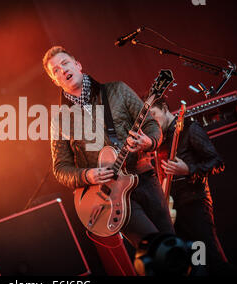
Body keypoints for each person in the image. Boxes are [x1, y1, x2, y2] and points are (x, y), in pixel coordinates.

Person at [42, 46, 175, 249]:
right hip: (109, 196)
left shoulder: (117, 90)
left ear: (77, 65)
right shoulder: (59, 121)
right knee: (157, 249)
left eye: (65, 63)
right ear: (55, 81)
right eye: (56, 71)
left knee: (173, 247)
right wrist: (88, 176)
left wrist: (149, 142)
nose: (62, 70)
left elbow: (150, 124)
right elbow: (60, 169)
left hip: (144, 179)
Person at [149, 98, 233, 275]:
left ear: (164, 108)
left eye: (153, 115)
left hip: (195, 205)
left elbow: (217, 162)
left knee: (211, 260)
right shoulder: (159, 141)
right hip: (175, 213)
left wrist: (189, 170)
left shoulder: (189, 128)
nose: (152, 122)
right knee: (197, 265)